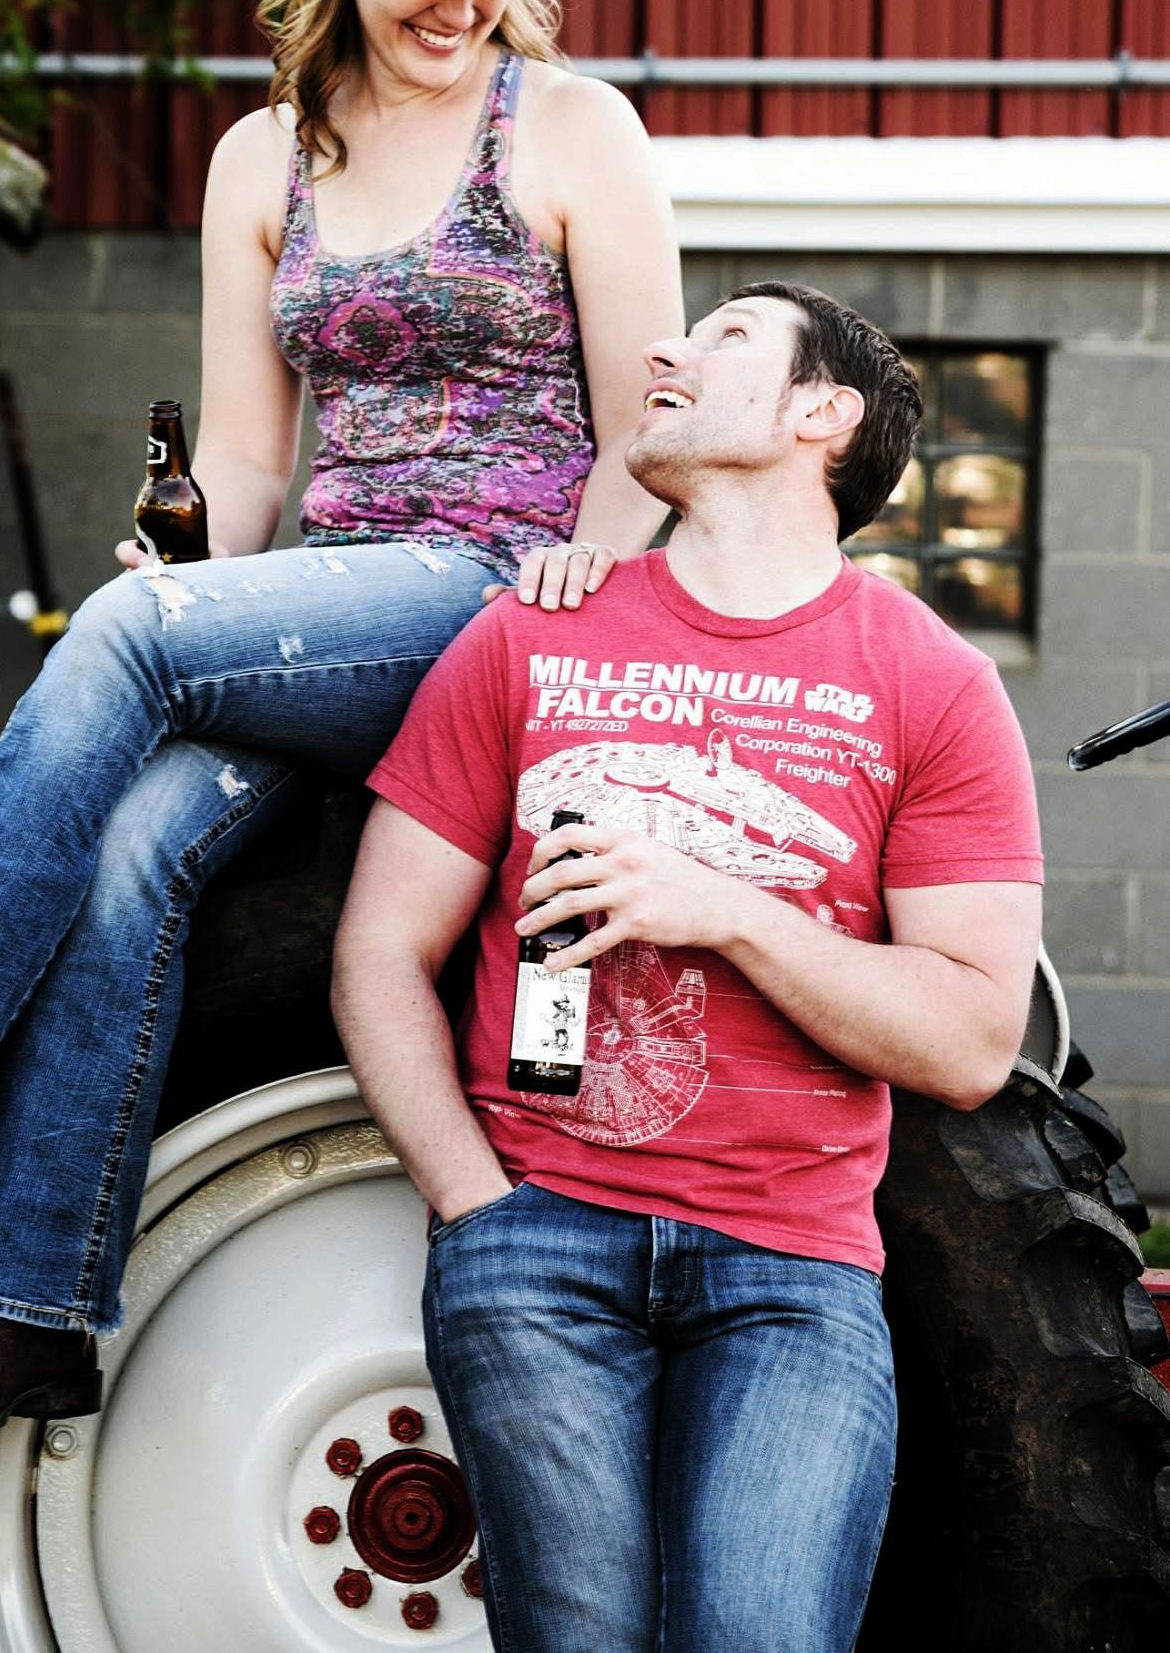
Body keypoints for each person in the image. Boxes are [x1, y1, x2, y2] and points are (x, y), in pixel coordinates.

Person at [0, 0, 681, 1431]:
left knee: (127, 641)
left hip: (500, 593)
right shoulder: (263, 156)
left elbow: (652, 413)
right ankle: (31, 1308)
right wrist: (199, 576)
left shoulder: (571, 130)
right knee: (134, 838)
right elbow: (250, 457)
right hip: (324, 602)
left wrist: (604, 540)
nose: (465, 2)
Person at [332, 282, 1044, 1653]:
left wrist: (728, 909)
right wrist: (475, 1206)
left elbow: (967, 1040)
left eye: (724, 337)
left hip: (793, 1271)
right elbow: (378, 949)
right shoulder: (533, 630)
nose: (667, 349)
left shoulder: (934, 682)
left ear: (818, 416)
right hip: (535, 1240)